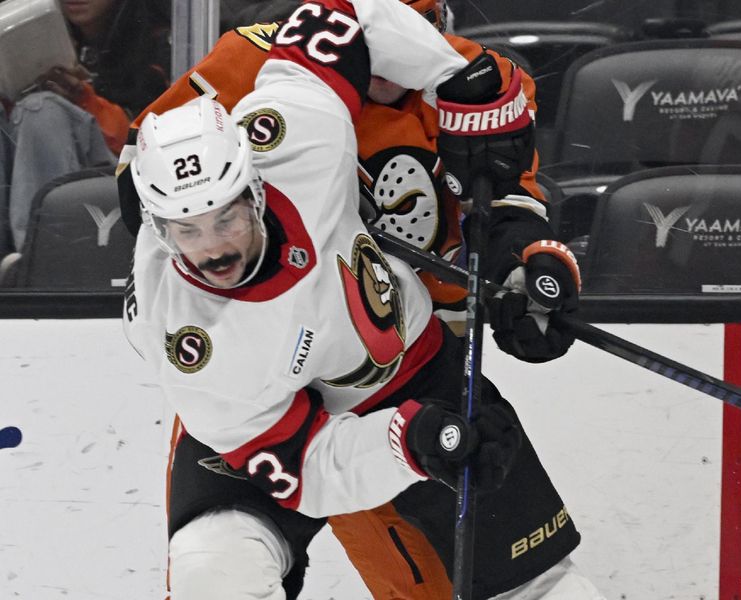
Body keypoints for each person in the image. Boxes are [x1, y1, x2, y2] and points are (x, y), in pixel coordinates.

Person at [119, 1, 600, 599]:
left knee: (537, 588)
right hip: (274, 404)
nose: (212, 248)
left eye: (424, 19)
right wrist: (405, 439)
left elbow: (510, 197)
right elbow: (305, 463)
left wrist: (524, 267)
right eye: (187, 229)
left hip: (412, 364)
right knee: (214, 571)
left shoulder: (330, 120)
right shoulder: (193, 346)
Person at [0, 0, 169, 256]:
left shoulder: (161, 39)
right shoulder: (30, 32)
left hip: (128, 179)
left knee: (42, 110)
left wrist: (83, 100)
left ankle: (41, 258)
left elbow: (150, 141)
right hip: (27, 179)